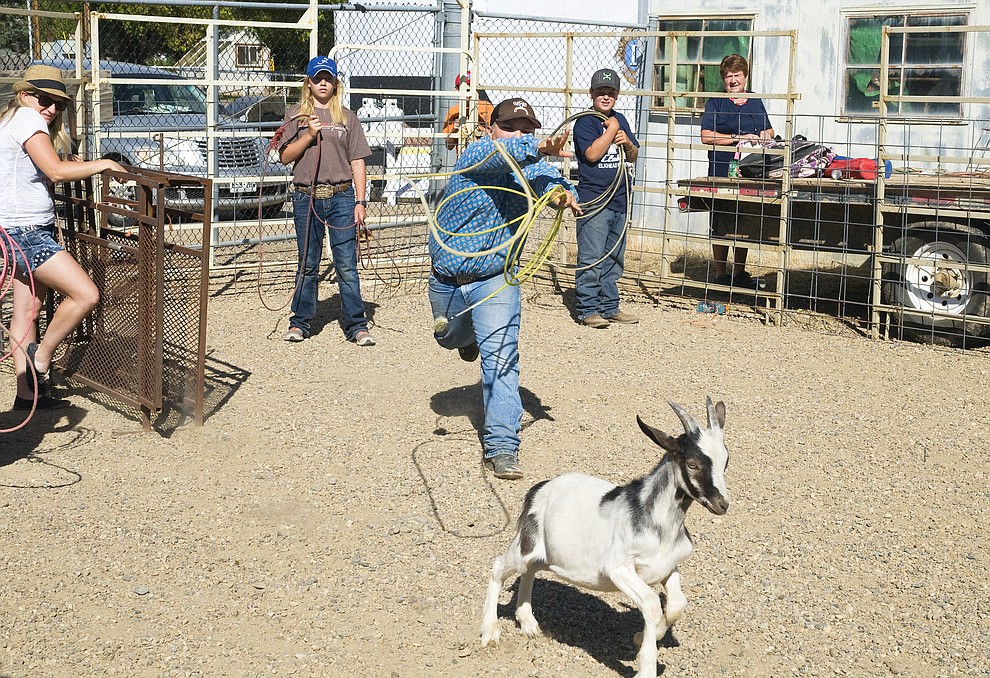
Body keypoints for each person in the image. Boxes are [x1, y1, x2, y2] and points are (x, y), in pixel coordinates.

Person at [429, 98, 581, 480]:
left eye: (526, 130)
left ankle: (501, 447)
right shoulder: (474, 158)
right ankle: (466, 339)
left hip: (496, 279)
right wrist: (541, 145)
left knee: (501, 360)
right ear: (488, 129)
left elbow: (546, 179)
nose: (518, 135)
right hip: (448, 278)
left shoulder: (527, 168)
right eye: (510, 127)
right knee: (447, 337)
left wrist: (561, 192)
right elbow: (504, 152)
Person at [0, 65, 126, 410]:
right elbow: (54, 171)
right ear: (24, 94)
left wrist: (74, 161)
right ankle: (41, 359)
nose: (52, 109)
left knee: (28, 309)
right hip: (27, 233)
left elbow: (43, 164)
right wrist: (103, 164)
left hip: (15, 232)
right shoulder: (28, 120)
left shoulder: (9, 120)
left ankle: (27, 395)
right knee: (85, 294)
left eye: (59, 103)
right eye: (45, 99)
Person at [278, 55, 375, 346]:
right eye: (317, 78)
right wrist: (308, 134)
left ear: (335, 83)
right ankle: (301, 322)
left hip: (342, 197)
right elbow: (285, 157)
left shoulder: (348, 118)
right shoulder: (294, 115)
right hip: (306, 197)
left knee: (346, 263)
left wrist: (361, 202)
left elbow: (357, 161)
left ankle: (356, 324)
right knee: (308, 263)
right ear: (309, 82)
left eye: (328, 78)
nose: (323, 83)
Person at [572, 68, 640, 329]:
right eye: (601, 92)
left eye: (610, 92)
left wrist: (627, 142)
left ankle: (609, 306)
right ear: (592, 94)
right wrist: (611, 131)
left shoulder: (620, 119)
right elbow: (591, 154)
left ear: (617, 95)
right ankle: (588, 308)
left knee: (614, 256)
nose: (606, 96)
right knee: (591, 256)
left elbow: (632, 154)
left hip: (620, 197)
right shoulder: (586, 122)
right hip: (595, 199)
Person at [700, 53, 775, 290]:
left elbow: (770, 130)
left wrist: (763, 136)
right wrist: (737, 138)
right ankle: (721, 273)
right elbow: (706, 136)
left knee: (744, 219)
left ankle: (739, 272)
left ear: (745, 77)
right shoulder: (716, 102)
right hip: (722, 169)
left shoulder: (755, 101)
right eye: (729, 76)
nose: (733, 81)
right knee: (721, 219)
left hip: (750, 170)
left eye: (737, 76)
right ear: (724, 79)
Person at [442, 85, 494, 152]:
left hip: (483, 154)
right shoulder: (453, 111)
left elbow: (494, 136)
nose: (469, 94)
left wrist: (477, 127)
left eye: (470, 90)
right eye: (466, 90)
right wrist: (454, 131)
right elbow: (449, 146)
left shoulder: (487, 107)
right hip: (462, 155)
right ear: (457, 90)